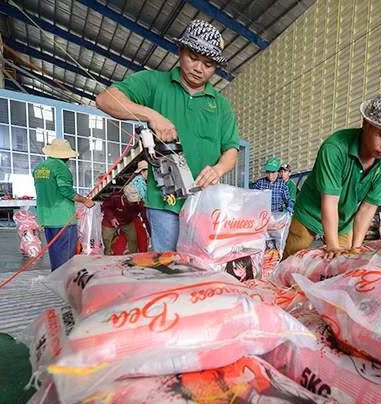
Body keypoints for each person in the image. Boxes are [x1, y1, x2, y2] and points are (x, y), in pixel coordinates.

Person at [95, 20, 240, 252]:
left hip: (205, 205)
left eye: (208, 64)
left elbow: (231, 150)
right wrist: (151, 115)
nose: (199, 68)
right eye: (193, 57)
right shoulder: (154, 83)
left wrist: (218, 169)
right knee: (169, 267)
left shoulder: (221, 105)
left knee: (203, 265)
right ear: (181, 50)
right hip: (165, 203)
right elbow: (105, 99)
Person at [284, 90, 381, 259]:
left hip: (344, 221)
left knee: (344, 261)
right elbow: (330, 201)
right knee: (292, 259)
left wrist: (356, 248)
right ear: (366, 124)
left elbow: (368, 207)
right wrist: (332, 246)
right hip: (310, 212)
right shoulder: (335, 147)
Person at [32, 138, 94, 271]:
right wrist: (85, 200)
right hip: (63, 218)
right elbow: (66, 191)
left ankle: (56, 280)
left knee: (55, 255)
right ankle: (64, 286)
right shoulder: (61, 168)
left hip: (47, 218)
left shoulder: (39, 168)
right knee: (66, 259)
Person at [101, 184, 147, 255]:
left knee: (133, 239)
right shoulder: (114, 197)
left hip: (127, 222)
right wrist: (112, 218)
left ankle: (133, 255)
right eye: (131, 201)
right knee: (107, 240)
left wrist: (148, 227)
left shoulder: (139, 202)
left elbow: (144, 216)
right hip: (110, 221)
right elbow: (105, 207)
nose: (133, 203)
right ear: (125, 196)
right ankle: (107, 256)